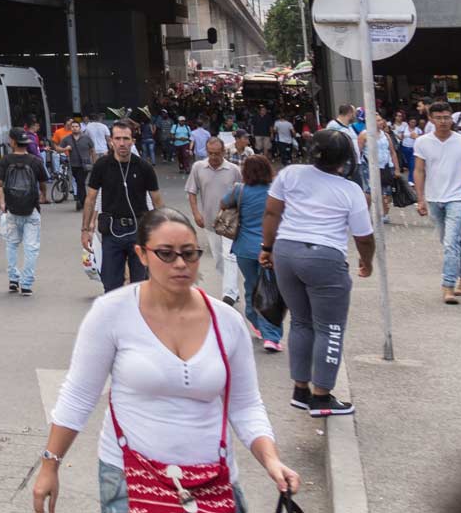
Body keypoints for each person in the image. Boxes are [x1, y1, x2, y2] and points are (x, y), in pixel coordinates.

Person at [35, 208, 298, 513]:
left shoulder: (227, 322)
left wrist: (271, 460)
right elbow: (79, 395)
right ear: (142, 255)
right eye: (166, 254)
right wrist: (49, 466)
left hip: (213, 481)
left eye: (189, 253)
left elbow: (246, 404)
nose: (180, 264)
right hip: (131, 479)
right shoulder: (111, 313)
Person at [261, 129, 374, 416]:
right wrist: (366, 261)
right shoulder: (350, 190)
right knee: (330, 328)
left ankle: (300, 390)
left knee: (300, 322)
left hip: (285, 251)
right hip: (324, 257)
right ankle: (322, 397)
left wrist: (267, 246)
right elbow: (363, 236)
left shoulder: (290, 174)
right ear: (346, 159)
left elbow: (272, 212)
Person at [414, 98, 461, 305]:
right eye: (438, 118)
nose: (443, 122)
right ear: (431, 119)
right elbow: (419, 170)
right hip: (433, 198)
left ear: (452, 118)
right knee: (449, 243)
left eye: (446, 117)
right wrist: (420, 199)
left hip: (458, 198)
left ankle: (448, 285)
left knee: (450, 243)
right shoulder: (423, 142)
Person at [83, 121, 158, 293]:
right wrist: (86, 230)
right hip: (111, 230)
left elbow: (157, 201)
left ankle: (137, 317)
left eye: (126, 138)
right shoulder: (102, 166)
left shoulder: (144, 167)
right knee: (110, 285)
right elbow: (91, 199)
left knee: (140, 285)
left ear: (133, 141)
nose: (122, 143)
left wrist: (162, 231)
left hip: (138, 229)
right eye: (118, 138)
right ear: (111, 141)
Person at [231, 156, 284, 353]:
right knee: (270, 291)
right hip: (269, 247)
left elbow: (223, 203)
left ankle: (254, 318)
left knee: (251, 286)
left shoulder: (239, 190)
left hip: (243, 248)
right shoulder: (275, 192)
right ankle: (272, 336)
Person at [185, 137, 244, 305]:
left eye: (217, 154)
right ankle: (232, 287)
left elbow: (242, 193)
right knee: (219, 259)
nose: (213, 157)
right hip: (210, 222)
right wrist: (196, 213)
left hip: (229, 223)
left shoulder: (233, 170)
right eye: (210, 153)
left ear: (223, 152)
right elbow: (191, 191)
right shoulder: (198, 168)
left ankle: (229, 293)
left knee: (229, 256)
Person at [0, 129, 44, 296]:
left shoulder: (6, 160)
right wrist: (43, 195)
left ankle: (13, 279)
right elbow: (44, 181)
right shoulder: (35, 161)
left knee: (11, 245)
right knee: (31, 248)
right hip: (31, 210)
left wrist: (2, 201)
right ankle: (26, 284)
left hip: (12, 210)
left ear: (13, 142)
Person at [68, 122, 96, 212]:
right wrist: (64, 149)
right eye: (73, 126)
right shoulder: (67, 139)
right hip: (74, 165)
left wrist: (94, 162)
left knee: (80, 182)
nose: (74, 128)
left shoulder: (86, 138)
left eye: (76, 126)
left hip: (85, 165)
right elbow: (58, 148)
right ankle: (82, 200)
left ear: (80, 128)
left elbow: (92, 150)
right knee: (79, 182)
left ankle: (81, 201)